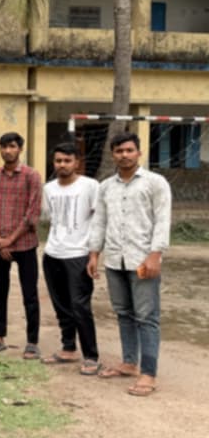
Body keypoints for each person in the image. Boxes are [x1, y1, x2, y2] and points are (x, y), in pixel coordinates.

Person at [88, 132, 171, 397]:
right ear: (113, 154)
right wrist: (94, 254)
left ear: (138, 152)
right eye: (119, 151)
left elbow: (162, 220)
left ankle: (148, 373)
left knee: (147, 317)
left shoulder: (155, 183)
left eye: (129, 150)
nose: (124, 155)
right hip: (115, 259)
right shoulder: (106, 187)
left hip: (142, 259)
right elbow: (99, 221)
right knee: (123, 313)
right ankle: (129, 363)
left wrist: (155, 254)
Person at [41, 142, 101, 375]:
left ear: (76, 162)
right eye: (58, 161)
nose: (62, 165)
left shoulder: (90, 186)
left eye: (67, 161)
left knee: (80, 306)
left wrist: (93, 253)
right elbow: (51, 219)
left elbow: (98, 220)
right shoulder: (49, 189)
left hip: (79, 255)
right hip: (53, 253)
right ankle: (68, 348)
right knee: (61, 305)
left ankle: (91, 355)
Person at [0, 132, 43, 357]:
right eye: (3, 146)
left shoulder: (31, 176)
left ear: (20, 149)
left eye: (11, 146)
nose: (7, 151)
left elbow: (32, 214)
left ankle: (32, 341)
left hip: (25, 244)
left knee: (30, 294)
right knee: (0, 292)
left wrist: (9, 240)